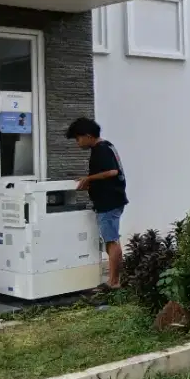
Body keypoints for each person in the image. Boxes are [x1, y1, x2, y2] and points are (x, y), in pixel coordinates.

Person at [66, 117, 128, 288]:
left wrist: (89, 178)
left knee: (111, 240)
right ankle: (116, 279)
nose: (78, 143)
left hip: (109, 202)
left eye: (78, 139)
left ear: (87, 135)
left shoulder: (101, 150)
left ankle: (113, 281)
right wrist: (89, 184)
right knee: (113, 239)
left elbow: (112, 172)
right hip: (112, 200)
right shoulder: (107, 146)